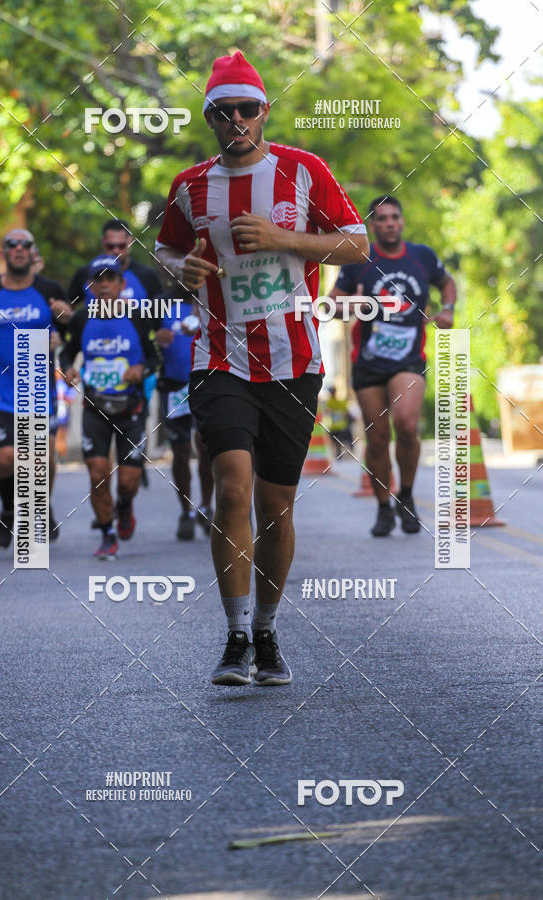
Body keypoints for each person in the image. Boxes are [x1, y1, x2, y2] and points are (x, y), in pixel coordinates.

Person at [155, 51, 368, 686]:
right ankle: (236, 634)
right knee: (232, 485)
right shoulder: (191, 186)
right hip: (219, 355)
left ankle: (269, 632)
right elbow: (166, 249)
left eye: (247, 109)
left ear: (264, 112)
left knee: (277, 505)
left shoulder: (303, 172)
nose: (237, 120)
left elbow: (355, 242)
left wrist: (286, 241)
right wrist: (182, 270)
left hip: (292, 360)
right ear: (212, 120)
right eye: (223, 112)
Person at [330, 195, 456, 537]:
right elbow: (331, 304)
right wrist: (351, 304)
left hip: (409, 360)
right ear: (372, 225)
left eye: (394, 217)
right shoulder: (358, 259)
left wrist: (448, 309)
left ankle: (408, 496)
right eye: (381, 218)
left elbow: (447, 282)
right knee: (377, 437)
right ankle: (384, 507)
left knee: (407, 425)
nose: (389, 223)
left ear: (401, 221)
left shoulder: (422, 256)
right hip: (369, 362)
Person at [0, 229, 71, 547]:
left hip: (39, 390)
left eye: (25, 244)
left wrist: (62, 334)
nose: (18, 249)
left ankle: (41, 507)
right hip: (0, 390)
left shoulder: (49, 289)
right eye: (11, 244)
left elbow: (71, 329)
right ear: (4, 253)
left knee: (43, 460)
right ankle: (10, 510)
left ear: (32, 252)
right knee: (4, 460)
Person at [60, 256, 159, 559]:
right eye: (98, 279)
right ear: (90, 286)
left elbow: (154, 358)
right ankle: (107, 534)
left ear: (121, 284)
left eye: (110, 279)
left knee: (128, 481)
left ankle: (125, 506)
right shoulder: (80, 319)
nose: (104, 285)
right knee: (97, 473)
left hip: (131, 410)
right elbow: (67, 352)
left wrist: (141, 370)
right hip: (95, 409)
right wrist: (68, 369)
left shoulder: (138, 317)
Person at [155, 288, 214, 540]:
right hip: (174, 385)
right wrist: (154, 337)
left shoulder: (212, 294)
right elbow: (141, 333)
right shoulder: (161, 303)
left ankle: (207, 506)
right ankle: (186, 511)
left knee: (206, 446)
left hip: (208, 382)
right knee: (180, 451)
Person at [68, 219, 162, 316]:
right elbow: (67, 310)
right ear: (102, 242)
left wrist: (132, 309)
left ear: (130, 242)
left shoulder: (147, 276)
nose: (116, 251)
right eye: (110, 246)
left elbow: (161, 314)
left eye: (121, 246)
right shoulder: (86, 273)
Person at [323, 386, 354, 459]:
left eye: (333, 391)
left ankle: (344, 454)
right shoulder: (330, 402)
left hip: (341, 426)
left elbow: (346, 413)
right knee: (338, 442)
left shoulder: (338, 402)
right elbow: (326, 413)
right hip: (334, 427)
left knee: (342, 441)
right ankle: (340, 454)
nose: (332, 393)